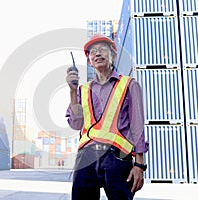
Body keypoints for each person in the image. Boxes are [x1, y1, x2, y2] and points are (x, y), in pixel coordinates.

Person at [65, 34, 148, 200]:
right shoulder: (83, 90)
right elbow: (76, 123)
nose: (97, 53)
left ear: (113, 55)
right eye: (92, 51)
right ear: (89, 61)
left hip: (119, 158)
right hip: (85, 159)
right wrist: (73, 91)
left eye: (102, 49)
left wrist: (139, 165)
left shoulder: (130, 85)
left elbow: (137, 126)